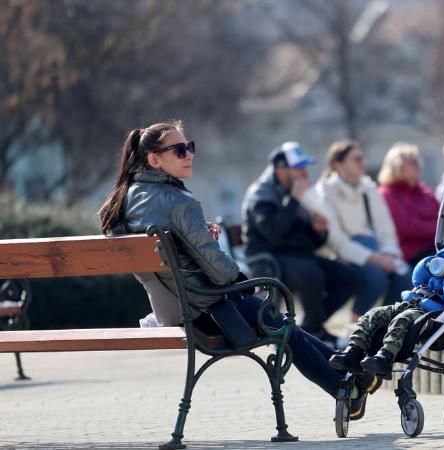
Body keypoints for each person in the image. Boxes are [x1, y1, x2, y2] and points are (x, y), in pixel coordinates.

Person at [97, 121, 378, 420]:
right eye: (179, 150)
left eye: (189, 147)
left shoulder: (119, 203)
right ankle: (346, 389)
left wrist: (196, 239)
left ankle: (354, 377)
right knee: (285, 330)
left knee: (284, 326)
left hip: (172, 310)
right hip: (210, 310)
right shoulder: (181, 202)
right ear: (154, 159)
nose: (189, 155)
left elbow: (166, 250)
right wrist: (246, 284)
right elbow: (221, 272)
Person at [328, 227, 444, 378]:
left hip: (429, 312)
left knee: (402, 320)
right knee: (372, 315)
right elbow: (417, 279)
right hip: (411, 301)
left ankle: (385, 357)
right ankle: (353, 351)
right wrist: (428, 264)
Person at [241, 141, 364, 345]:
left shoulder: (294, 193)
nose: (305, 172)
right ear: (281, 169)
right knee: (310, 273)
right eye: (298, 168)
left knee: (352, 279)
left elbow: (308, 242)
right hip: (269, 259)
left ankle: (309, 329)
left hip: (298, 257)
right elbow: (273, 234)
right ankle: (314, 331)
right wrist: (296, 200)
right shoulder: (260, 194)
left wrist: (319, 231)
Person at [314, 139, 410, 322]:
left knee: (404, 278)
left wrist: (390, 255)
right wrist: (376, 259)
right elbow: (336, 240)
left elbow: (386, 229)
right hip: (343, 256)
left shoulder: (369, 189)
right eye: (356, 159)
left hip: (376, 252)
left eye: (362, 158)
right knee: (377, 278)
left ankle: (383, 327)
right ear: (338, 164)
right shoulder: (325, 191)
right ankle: (356, 325)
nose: (362, 163)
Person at [377, 142, 440, 268]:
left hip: (437, 245)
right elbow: (407, 227)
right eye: (413, 162)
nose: (420, 165)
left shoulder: (424, 191)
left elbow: (441, 215)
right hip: (412, 253)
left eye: (418, 161)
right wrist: (442, 229)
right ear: (398, 166)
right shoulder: (387, 194)